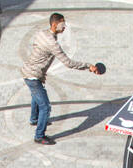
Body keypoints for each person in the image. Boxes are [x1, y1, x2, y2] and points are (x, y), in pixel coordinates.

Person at [21, 12, 101, 145]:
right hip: (33, 76)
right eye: (62, 24)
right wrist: (89, 66)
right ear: (54, 24)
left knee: (37, 96)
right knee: (45, 107)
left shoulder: (41, 33)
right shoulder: (52, 43)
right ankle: (39, 136)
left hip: (30, 72)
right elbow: (68, 63)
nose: (65, 26)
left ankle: (34, 119)